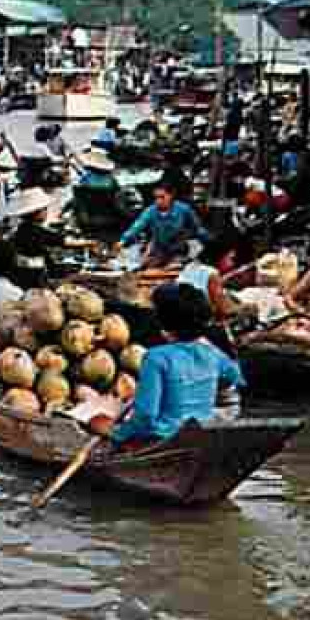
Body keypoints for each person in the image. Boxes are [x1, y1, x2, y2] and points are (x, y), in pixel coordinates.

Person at [110, 283, 245, 447]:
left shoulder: (156, 358)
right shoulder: (212, 354)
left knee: (97, 422)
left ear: (160, 321)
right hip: (201, 433)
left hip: (163, 439)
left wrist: (116, 432)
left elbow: (145, 416)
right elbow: (236, 377)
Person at [119, 182, 208, 268]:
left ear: (171, 196)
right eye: (156, 198)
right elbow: (137, 226)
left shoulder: (184, 209)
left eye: (162, 197)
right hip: (159, 250)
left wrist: (206, 242)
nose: (158, 201)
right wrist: (123, 240)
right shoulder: (151, 211)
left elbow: (198, 228)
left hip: (180, 250)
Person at [8, 186, 63, 290]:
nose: (46, 212)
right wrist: (90, 243)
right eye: (44, 210)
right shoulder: (34, 231)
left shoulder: (21, 229)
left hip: (22, 273)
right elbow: (61, 241)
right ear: (36, 213)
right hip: (34, 276)